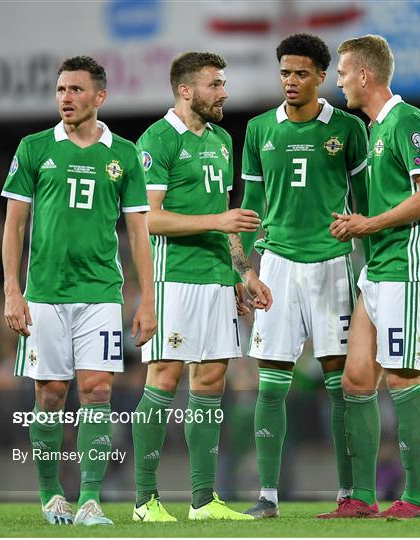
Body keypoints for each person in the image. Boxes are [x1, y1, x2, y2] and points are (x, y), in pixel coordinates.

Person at [1, 56, 156, 526]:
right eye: (60, 90)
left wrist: (147, 298)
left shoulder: (124, 154)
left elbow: (136, 233)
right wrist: (12, 289)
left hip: (101, 293)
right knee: (50, 394)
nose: (65, 98)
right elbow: (14, 228)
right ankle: (51, 496)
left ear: (99, 97)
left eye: (75, 90)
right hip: (45, 293)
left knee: (97, 390)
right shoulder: (33, 148)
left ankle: (89, 498)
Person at [131, 51, 272, 522]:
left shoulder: (221, 140)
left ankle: (202, 500)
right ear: (186, 90)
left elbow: (228, 221)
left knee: (210, 382)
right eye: (215, 84)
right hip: (175, 279)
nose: (224, 92)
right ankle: (144, 500)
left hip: (216, 281)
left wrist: (243, 273)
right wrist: (218, 220)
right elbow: (148, 219)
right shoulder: (157, 139)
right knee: (165, 379)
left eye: (223, 83)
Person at [237, 33, 369, 518]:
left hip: (332, 263)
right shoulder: (257, 130)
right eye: (284, 73)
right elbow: (249, 208)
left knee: (341, 384)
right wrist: (242, 270)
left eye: (300, 73)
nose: (290, 82)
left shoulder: (349, 130)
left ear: (320, 75)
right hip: (277, 265)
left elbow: (367, 206)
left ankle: (348, 493)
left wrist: (371, 268)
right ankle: (267, 496)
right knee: (271, 384)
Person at [324, 34, 420, 518]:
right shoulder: (375, 129)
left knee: (402, 378)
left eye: (341, 72)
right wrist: (355, 224)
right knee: (355, 379)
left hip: (410, 270)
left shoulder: (408, 120)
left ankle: (415, 498)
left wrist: (368, 224)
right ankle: (360, 497)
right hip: (378, 269)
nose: (338, 81)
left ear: (364, 75)